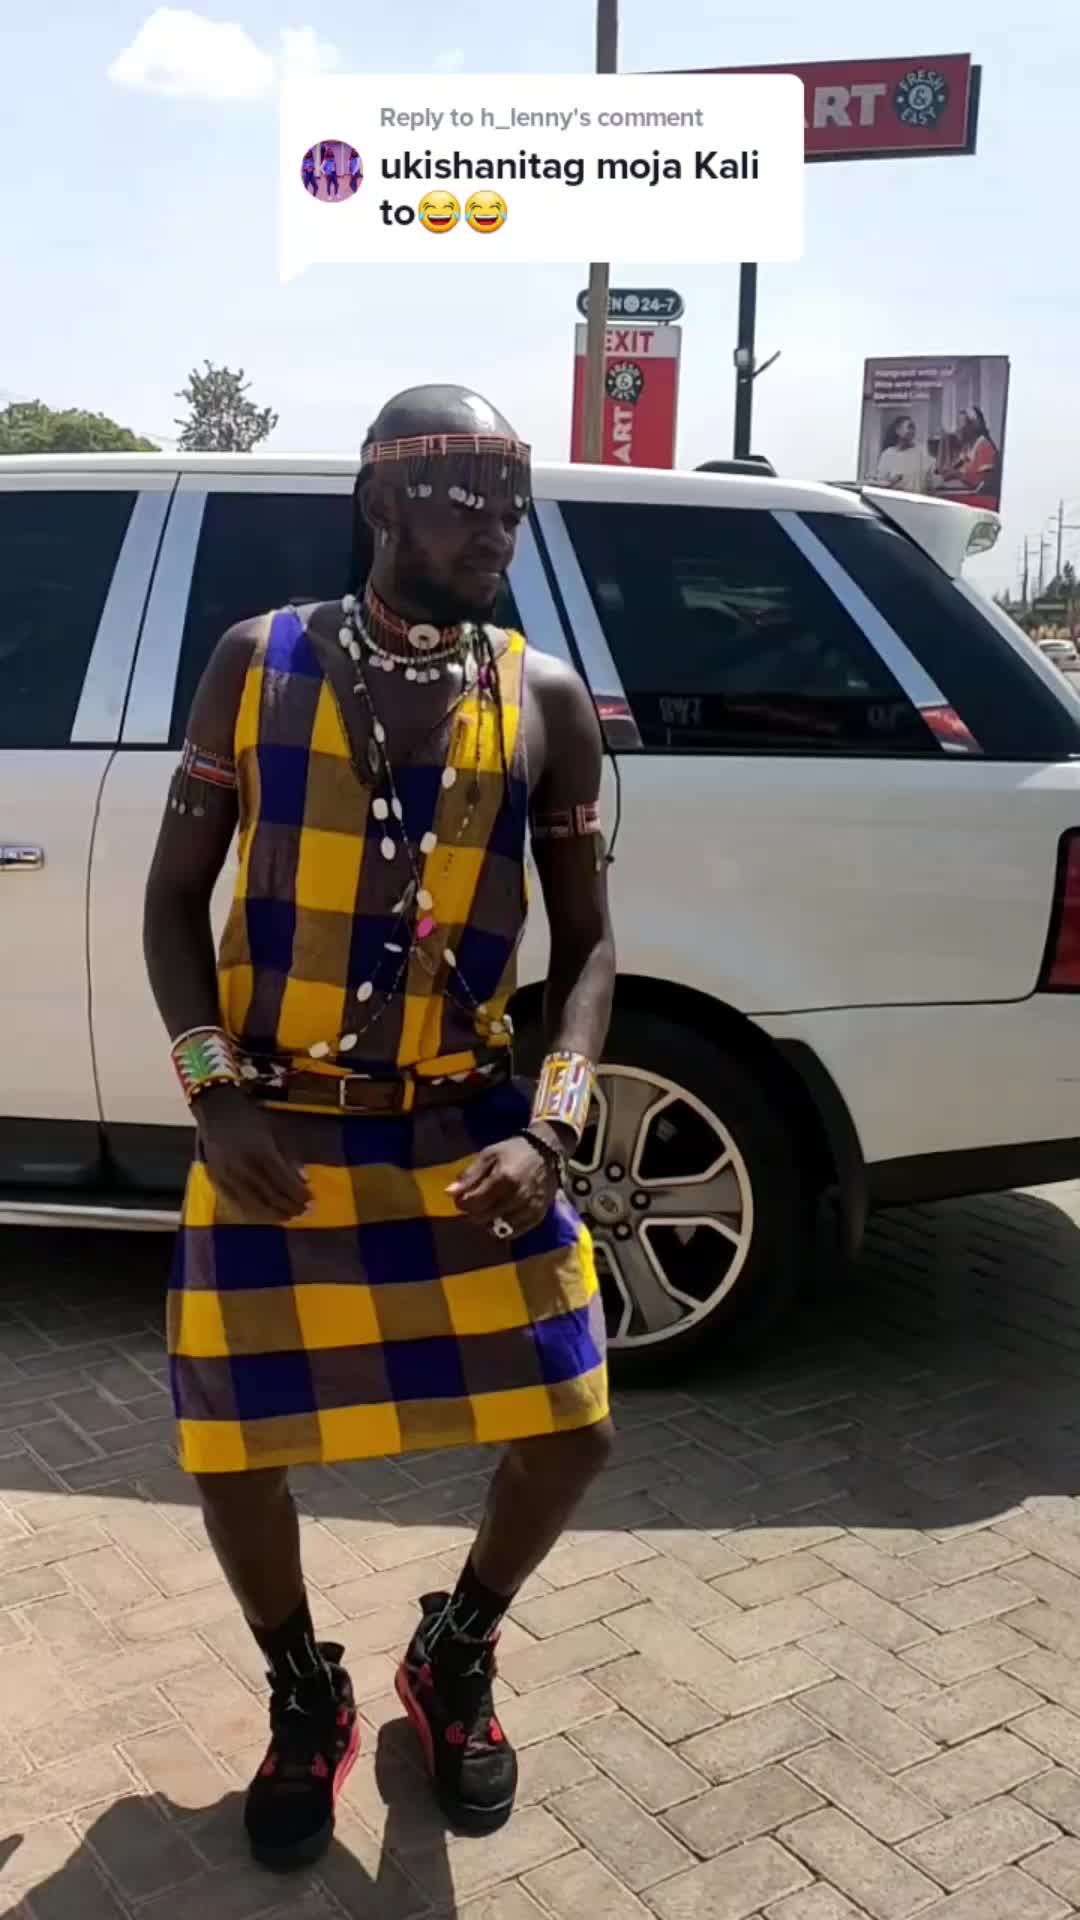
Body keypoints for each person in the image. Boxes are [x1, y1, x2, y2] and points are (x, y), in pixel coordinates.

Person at [143, 384, 615, 1872]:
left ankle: (454, 1648)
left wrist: (551, 1130)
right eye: (466, 501)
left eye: (512, 506)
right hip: (275, 1135)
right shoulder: (255, 664)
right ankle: (305, 1688)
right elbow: (172, 902)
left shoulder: (546, 702)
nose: (497, 531)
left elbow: (591, 948)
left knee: (573, 1427)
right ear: (380, 503)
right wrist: (216, 1094)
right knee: (231, 1451)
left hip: (472, 1136)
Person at [873, 415, 936, 493]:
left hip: (918, 498)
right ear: (898, 430)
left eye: (913, 428)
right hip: (897, 498)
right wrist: (892, 482)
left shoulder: (922, 453)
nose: (912, 431)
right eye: (909, 427)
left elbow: (930, 483)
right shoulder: (887, 455)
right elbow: (881, 482)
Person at [944, 405, 998, 496]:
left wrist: (956, 474)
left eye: (961, 426)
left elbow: (980, 482)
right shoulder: (967, 449)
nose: (957, 430)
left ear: (973, 426)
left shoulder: (984, 447)